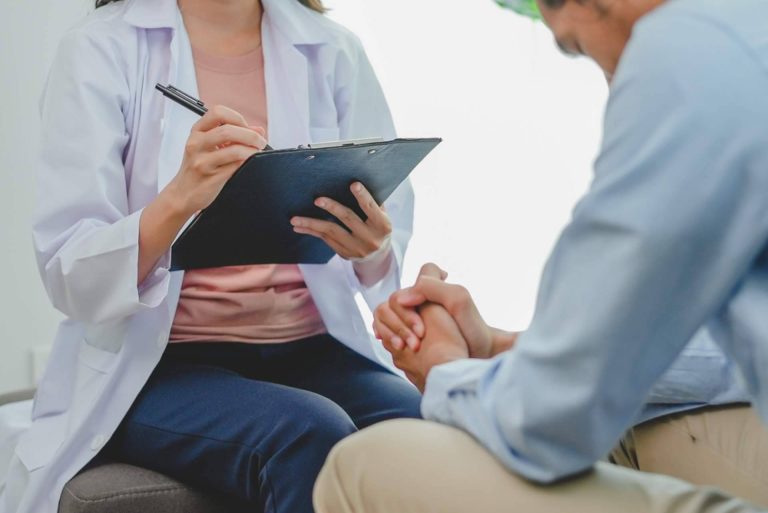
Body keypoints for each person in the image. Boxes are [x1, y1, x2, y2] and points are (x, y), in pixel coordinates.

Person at [313, 0, 768, 511]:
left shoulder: (686, 55)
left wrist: (444, 366)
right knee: (631, 429)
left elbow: (547, 423)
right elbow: (713, 352)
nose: (612, 82)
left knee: (372, 463)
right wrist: (500, 347)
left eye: (576, 48)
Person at [0, 1, 422, 512]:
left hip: (309, 346)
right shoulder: (98, 48)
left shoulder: (333, 49)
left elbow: (385, 226)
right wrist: (180, 197)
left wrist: (372, 248)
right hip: (161, 363)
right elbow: (71, 273)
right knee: (310, 433)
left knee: (426, 423)